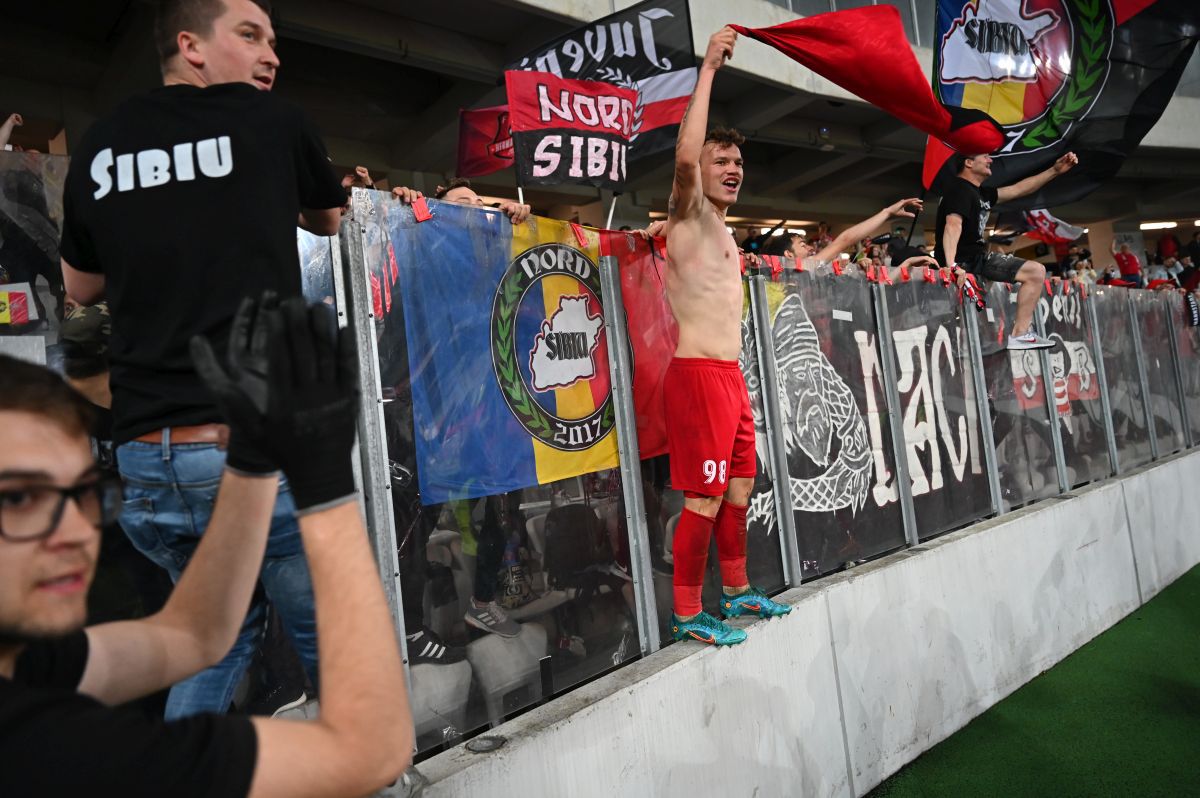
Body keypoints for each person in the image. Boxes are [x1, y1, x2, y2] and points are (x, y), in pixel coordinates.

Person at [58, 0, 346, 718]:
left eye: (272, 39)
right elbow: (328, 218)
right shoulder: (274, 122)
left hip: (147, 464)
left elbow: (79, 286)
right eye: (250, 36)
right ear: (190, 45)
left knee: (215, 638)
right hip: (245, 455)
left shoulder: (101, 143)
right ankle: (380, 768)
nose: (271, 55)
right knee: (339, 648)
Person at [0, 297, 413, 796]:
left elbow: (197, 632)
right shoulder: (64, 751)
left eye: (84, 494)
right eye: (19, 499)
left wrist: (251, 460)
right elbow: (372, 751)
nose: (74, 532)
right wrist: (323, 483)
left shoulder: (29, 665)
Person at [661, 26, 791, 648]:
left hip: (731, 379)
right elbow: (685, 158)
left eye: (738, 163)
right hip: (697, 378)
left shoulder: (725, 231)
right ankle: (687, 612)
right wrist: (709, 67)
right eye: (723, 161)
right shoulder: (686, 213)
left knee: (741, 487)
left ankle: (736, 591)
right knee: (705, 500)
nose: (733, 170)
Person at [936, 150, 1078, 349]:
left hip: (977, 260)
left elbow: (1019, 189)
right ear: (969, 162)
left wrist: (1054, 170)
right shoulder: (959, 189)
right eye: (985, 157)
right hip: (963, 262)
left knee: (1035, 272)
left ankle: (1019, 335)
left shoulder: (982, 193)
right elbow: (952, 225)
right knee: (957, 320)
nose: (990, 160)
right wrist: (951, 265)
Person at [391, 177, 531, 224]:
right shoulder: (425, 242)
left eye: (480, 205)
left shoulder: (491, 247)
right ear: (440, 215)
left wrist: (507, 219)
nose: (475, 209)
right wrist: (398, 206)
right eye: (464, 204)